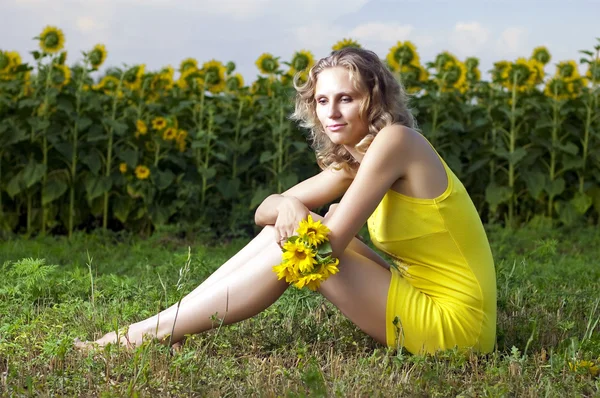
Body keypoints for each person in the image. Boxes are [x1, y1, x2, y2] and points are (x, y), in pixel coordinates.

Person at [75, 47, 497, 355]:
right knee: (295, 225)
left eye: (345, 98)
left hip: (455, 326)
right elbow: (264, 211)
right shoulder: (353, 162)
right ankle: (166, 324)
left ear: (375, 100)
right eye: (322, 100)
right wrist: (290, 206)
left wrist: (296, 215)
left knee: (302, 241)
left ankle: (147, 335)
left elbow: (324, 248)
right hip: (419, 295)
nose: (331, 111)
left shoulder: (395, 142)